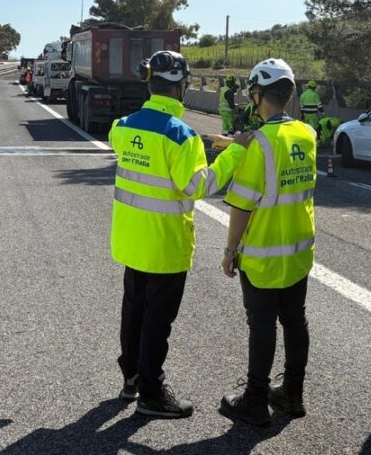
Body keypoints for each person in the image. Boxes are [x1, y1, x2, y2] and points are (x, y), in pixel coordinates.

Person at [110, 50, 253, 419]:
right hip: (165, 244)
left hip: (130, 238)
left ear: (149, 81)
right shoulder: (182, 137)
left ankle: (131, 378)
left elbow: (140, 155)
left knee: (134, 311)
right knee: (158, 320)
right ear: (182, 86)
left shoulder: (122, 126)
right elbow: (197, 186)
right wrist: (234, 153)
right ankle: (152, 395)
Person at [218, 58, 316, 427]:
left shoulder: (260, 142)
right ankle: (293, 393)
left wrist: (230, 251)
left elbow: (242, 205)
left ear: (258, 95)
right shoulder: (306, 133)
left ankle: (255, 400)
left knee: (262, 325)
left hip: (262, 255)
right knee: (295, 320)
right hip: (299, 250)